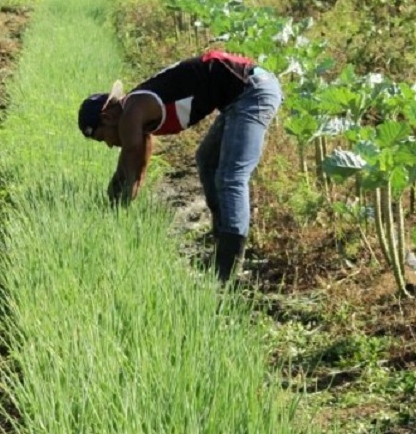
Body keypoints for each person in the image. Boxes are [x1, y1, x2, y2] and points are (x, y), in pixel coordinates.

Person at [77, 49, 283, 282]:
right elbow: (137, 171)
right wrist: (117, 213)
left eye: (101, 137)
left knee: (230, 176)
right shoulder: (138, 116)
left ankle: (227, 269)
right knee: (207, 160)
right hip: (240, 96)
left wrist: (112, 193)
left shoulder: (133, 111)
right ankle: (221, 241)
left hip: (253, 92)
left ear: (107, 118)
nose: (108, 145)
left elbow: (129, 155)